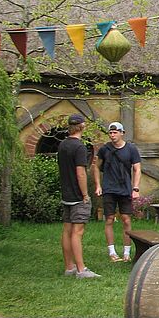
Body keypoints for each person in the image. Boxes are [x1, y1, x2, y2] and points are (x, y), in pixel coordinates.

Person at [58, 113, 99, 279]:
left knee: (67, 230)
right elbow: (81, 173)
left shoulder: (62, 145)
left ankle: (69, 267)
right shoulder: (80, 147)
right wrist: (85, 195)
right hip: (77, 196)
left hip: (66, 194)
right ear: (82, 126)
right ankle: (81, 270)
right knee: (77, 232)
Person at [93, 122, 142, 263]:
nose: (113, 135)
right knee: (109, 219)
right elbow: (96, 167)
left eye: (115, 132)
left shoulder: (131, 149)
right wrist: (98, 185)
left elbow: (137, 169)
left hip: (125, 188)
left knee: (126, 219)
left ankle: (127, 253)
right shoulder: (104, 149)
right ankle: (112, 252)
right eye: (111, 132)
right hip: (109, 188)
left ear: (122, 133)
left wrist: (136, 188)